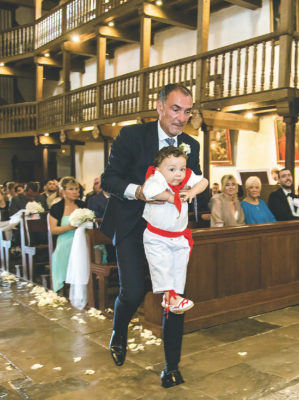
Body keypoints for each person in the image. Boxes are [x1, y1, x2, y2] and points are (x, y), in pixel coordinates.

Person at [101, 83, 201, 388]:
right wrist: (140, 192)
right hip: (133, 225)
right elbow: (110, 179)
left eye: (187, 111)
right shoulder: (131, 136)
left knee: (174, 297)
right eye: (175, 109)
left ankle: (172, 366)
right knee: (132, 292)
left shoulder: (191, 145)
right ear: (159, 107)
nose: (182, 117)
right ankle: (119, 332)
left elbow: (194, 179)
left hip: (170, 231)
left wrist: (188, 194)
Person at [142, 146, 208, 314]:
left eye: (182, 169)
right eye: (172, 169)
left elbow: (204, 182)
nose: (178, 174)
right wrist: (171, 197)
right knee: (162, 266)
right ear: (159, 170)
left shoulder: (185, 179)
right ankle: (169, 295)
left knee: (179, 267)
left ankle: (173, 297)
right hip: (157, 237)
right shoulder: (155, 179)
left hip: (179, 236)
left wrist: (192, 191)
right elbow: (148, 191)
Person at [48, 177, 84, 293]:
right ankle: (63, 283)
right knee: (62, 250)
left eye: (77, 189)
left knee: (97, 247)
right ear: (62, 191)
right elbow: (53, 230)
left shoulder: (82, 205)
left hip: (82, 238)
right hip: (65, 239)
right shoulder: (56, 208)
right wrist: (71, 227)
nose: (75, 192)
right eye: (71, 189)